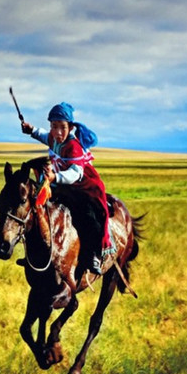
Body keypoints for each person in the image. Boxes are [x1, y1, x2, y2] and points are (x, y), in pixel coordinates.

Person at [21, 102, 113, 276]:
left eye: (62, 127)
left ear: (70, 127)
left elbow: (75, 173)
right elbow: (43, 135)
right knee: (36, 209)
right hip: (60, 184)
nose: (57, 132)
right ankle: (35, 253)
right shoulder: (53, 138)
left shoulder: (73, 145)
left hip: (82, 187)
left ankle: (94, 253)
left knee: (88, 215)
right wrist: (31, 129)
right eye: (54, 127)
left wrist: (55, 177)